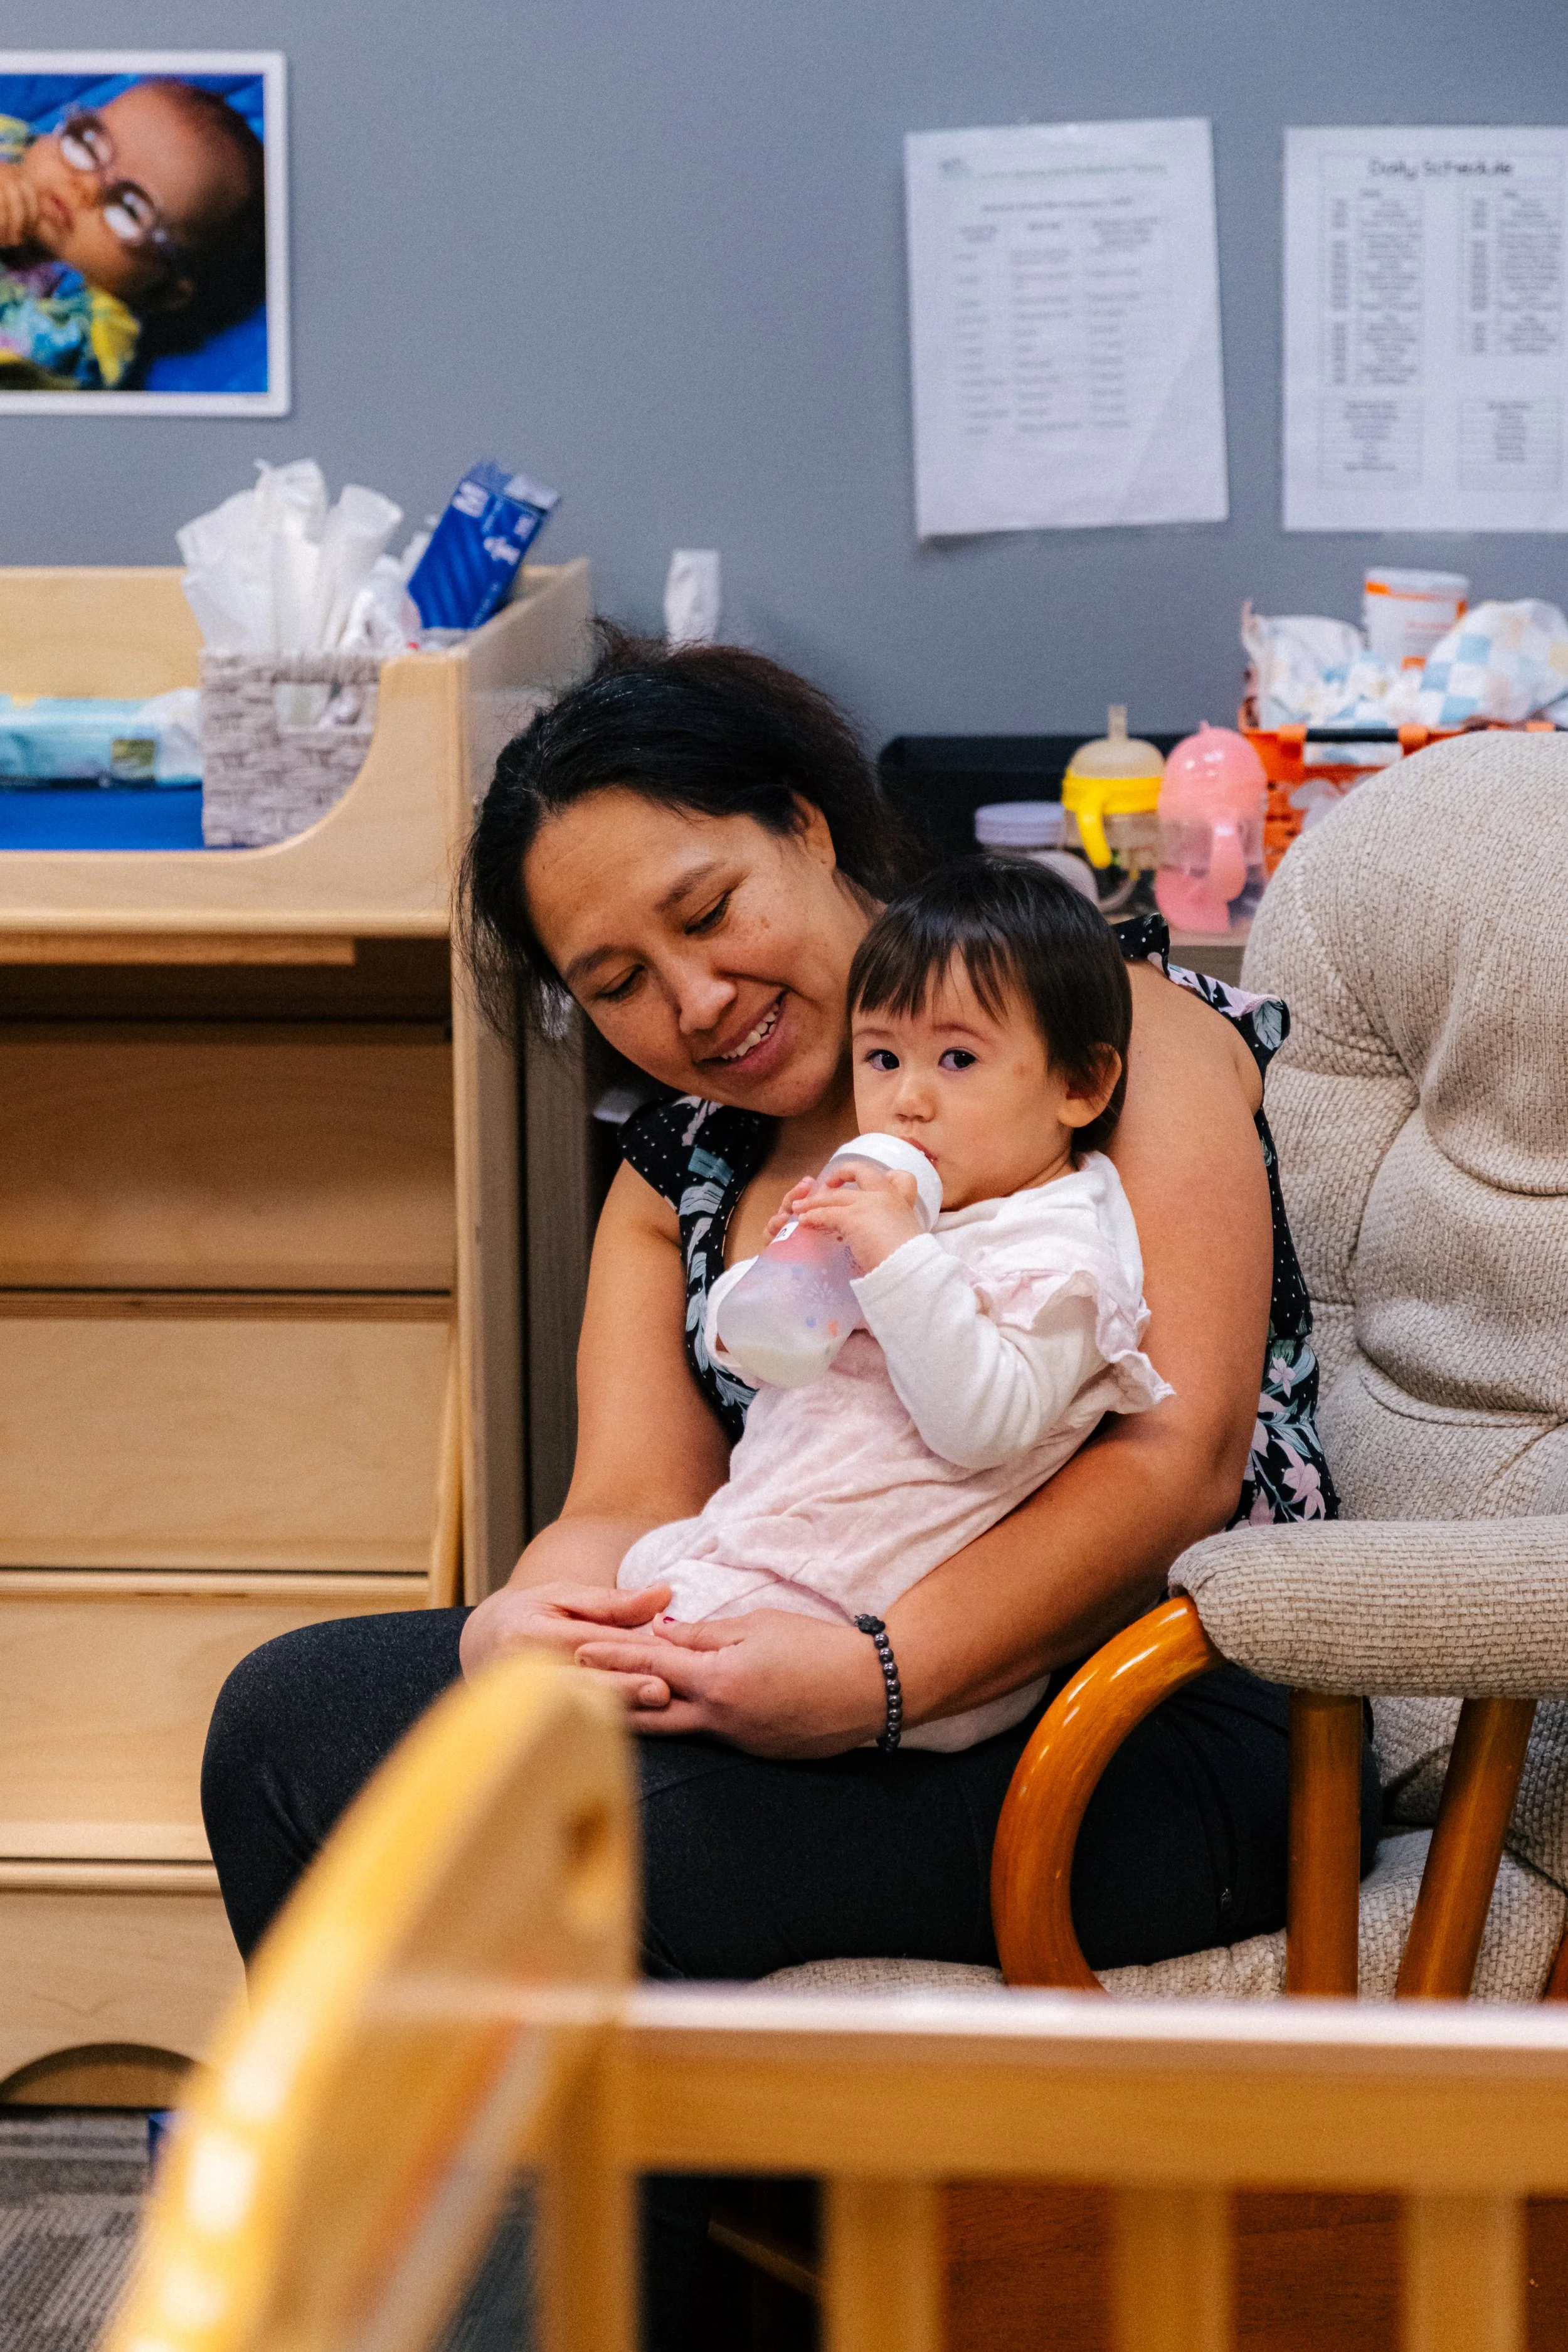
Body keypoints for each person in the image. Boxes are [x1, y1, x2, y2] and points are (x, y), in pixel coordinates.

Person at [202, 628, 1375, 2343]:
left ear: (811, 831)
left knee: (612, 1863)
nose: (687, 1000)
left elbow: (1174, 1455)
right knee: (291, 1718)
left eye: (704, 910)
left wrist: (880, 1672)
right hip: (790, 1658)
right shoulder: (675, 1167)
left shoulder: (1088, 1029)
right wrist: (538, 1625)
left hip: (1149, 1713)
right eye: (610, 977)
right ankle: (392, 2275)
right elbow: (625, 1494)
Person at [620, 854, 1171, 1753]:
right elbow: (769, 1360)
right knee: (635, 1579)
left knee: (589, 1716)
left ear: (1080, 1086)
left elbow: (984, 1424)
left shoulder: (1063, 1253)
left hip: (875, 1608)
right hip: (770, 1548)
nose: (906, 1099)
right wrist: (767, 1279)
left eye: (957, 1058)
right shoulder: (912, 1214)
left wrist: (897, 1257)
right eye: (881, 1056)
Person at [0, 80, 265, 391]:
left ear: (160, 292)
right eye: (87, 145)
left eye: (130, 210)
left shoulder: (85, 336)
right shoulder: (14, 145)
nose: (85, 187)